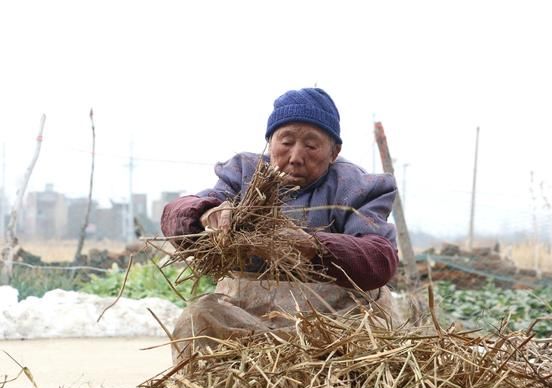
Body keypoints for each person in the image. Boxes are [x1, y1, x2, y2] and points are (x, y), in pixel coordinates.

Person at [161, 88, 399, 361]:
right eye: (286, 142)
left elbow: (380, 258)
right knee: (197, 319)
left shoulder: (358, 188)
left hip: (334, 320)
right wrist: (205, 214)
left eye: (311, 146)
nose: (296, 156)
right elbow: (175, 216)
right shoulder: (243, 175)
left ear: (334, 152)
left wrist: (312, 246)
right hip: (247, 314)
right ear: (269, 142)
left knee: (369, 334)